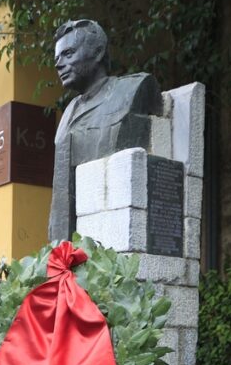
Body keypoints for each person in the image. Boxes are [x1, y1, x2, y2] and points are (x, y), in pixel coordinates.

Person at [47, 19, 162, 242]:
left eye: (68, 54)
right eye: (57, 59)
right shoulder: (70, 111)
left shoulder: (129, 91)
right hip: (68, 250)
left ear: (98, 52)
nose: (59, 64)